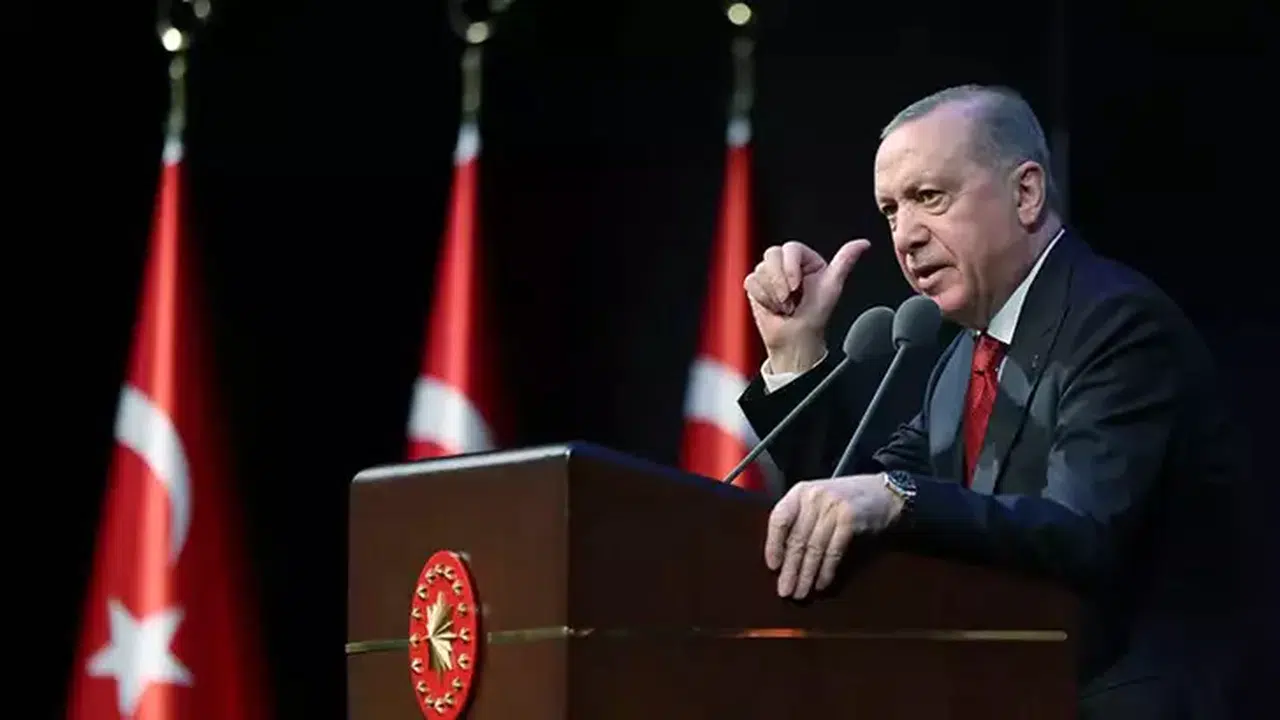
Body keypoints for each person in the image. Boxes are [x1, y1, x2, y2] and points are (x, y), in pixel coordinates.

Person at [738, 84, 1246, 719]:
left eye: (930, 197)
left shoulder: (1118, 324)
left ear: (1026, 193)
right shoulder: (963, 360)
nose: (906, 236)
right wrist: (795, 355)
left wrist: (899, 498)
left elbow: (1080, 532)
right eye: (891, 210)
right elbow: (857, 506)